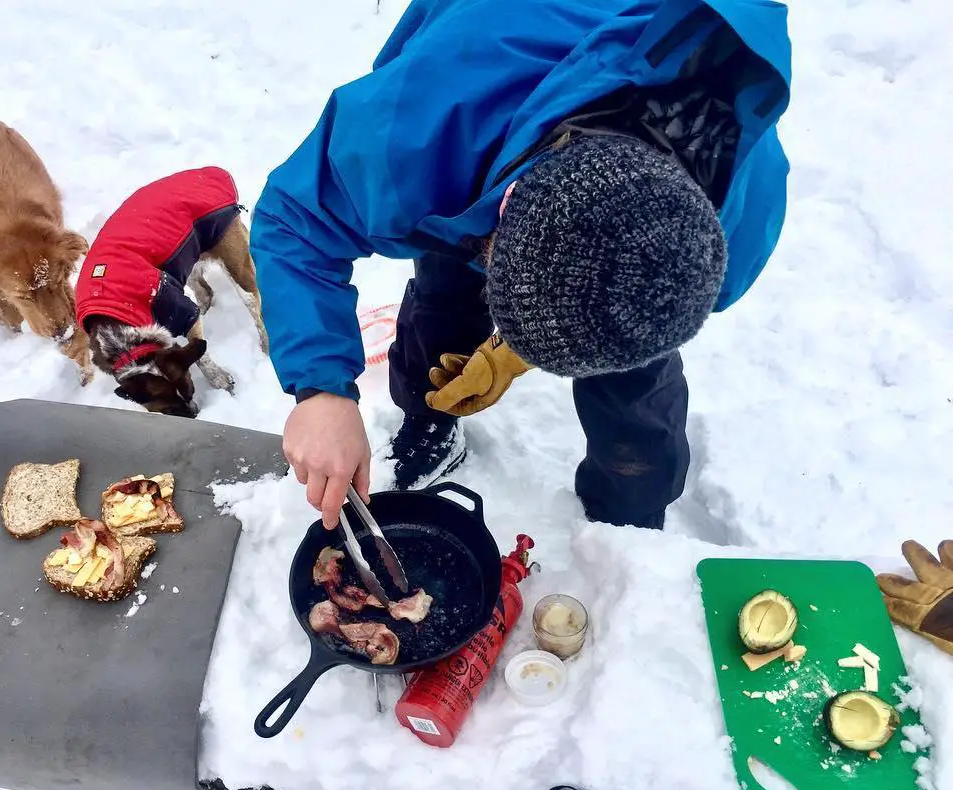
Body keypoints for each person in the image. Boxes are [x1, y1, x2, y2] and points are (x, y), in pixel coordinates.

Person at [249, 0, 792, 531]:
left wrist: (518, 351)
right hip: (487, 66)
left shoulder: (736, 229)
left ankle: (629, 512)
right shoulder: (420, 131)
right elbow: (294, 218)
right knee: (446, 293)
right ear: (505, 205)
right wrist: (322, 390)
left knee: (634, 381)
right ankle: (428, 417)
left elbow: (590, 299)